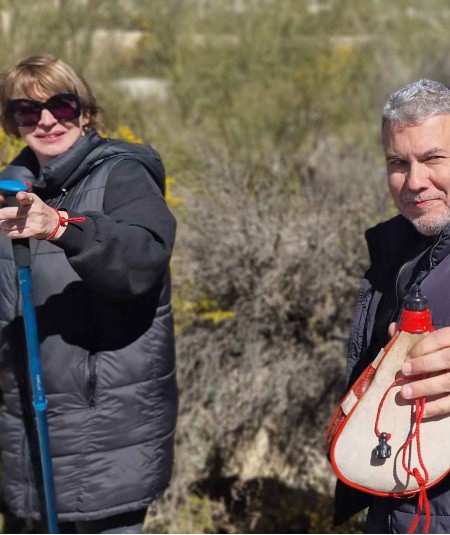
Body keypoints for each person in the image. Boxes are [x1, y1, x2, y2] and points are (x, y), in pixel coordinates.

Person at [0, 54, 177, 533]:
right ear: (12, 121)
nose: (46, 120)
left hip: (103, 444)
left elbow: (141, 261)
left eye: (61, 104)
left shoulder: (121, 173)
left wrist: (61, 227)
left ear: (85, 110)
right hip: (25, 443)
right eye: (26, 110)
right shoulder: (8, 192)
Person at [335, 78, 450, 534]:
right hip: (400, 506)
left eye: (433, 159)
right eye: (398, 163)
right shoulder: (395, 247)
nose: (415, 182)